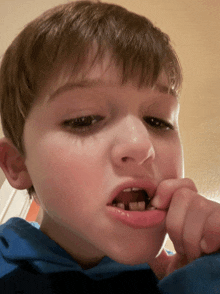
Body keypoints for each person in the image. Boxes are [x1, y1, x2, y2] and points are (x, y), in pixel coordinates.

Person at [0, 1, 220, 293]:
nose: (141, 145)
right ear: (18, 163)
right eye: (84, 119)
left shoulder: (179, 275)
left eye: (158, 120)